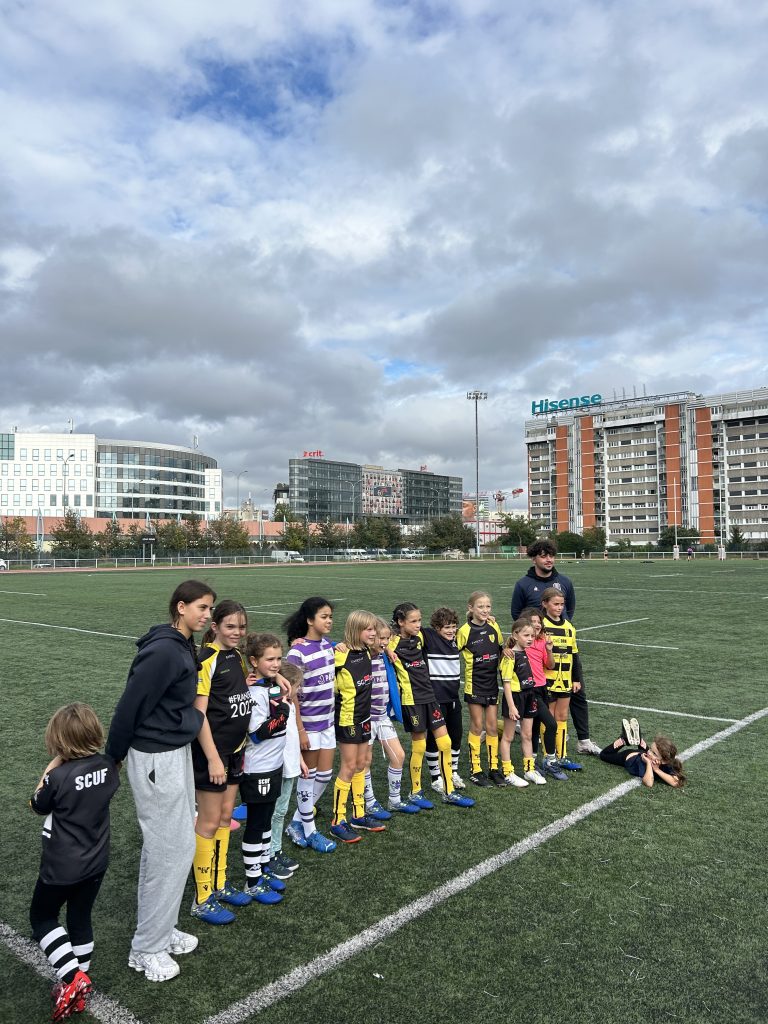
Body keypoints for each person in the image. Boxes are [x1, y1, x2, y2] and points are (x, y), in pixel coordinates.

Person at [106, 579, 216, 984]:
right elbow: (130, 705)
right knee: (169, 851)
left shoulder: (183, 645)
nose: (207, 616)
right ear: (181, 607)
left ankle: (161, 931)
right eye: (201, 608)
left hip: (173, 752)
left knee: (175, 846)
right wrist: (113, 756)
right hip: (154, 757)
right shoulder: (164, 651)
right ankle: (146, 949)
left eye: (210, 609)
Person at [30, 703, 119, 1020]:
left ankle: (73, 979)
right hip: (96, 859)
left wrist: (52, 767)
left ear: (58, 741)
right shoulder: (108, 765)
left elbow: (38, 804)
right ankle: (79, 989)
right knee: (80, 918)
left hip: (62, 864)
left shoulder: (58, 776)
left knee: (42, 917)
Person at [189, 600, 253, 926]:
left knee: (226, 817)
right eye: (230, 626)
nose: (237, 632)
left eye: (241, 627)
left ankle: (219, 882)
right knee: (209, 822)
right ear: (215, 627)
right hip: (213, 755)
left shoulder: (237, 657)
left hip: (236, 749)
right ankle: (202, 898)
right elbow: (199, 714)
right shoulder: (206, 660)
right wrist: (213, 758)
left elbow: (234, 693)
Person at [510, 540, 601, 756]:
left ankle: (584, 740)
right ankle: (535, 742)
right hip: (538, 651)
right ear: (534, 558)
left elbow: (570, 610)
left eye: (551, 555)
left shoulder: (565, 582)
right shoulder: (523, 584)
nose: (549, 559)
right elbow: (517, 615)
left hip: (565, 647)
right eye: (543, 555)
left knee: (577, 691)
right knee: (538, 696)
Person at [389, 603, 474, 809]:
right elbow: (371, 638)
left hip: (431, 697)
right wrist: (384, 648)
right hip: (413, 701)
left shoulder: (419, 639)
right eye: (413, 621)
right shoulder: (392, 643)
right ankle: (415, 792)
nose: (418, 625)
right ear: (401, 622)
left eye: (419, 620)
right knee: (419, 745)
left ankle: (448, 790)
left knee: (445, 743)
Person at [282, 597, 337, 853]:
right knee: (308, 778)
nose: (329, 621)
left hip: (327, 723)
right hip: (310, 726)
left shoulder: (328, 645)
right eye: (324, 616)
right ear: (309, 620)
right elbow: (290, 694)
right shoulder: (297, 652)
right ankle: (310, 830)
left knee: (324, 776)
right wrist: (300, 730)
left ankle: (296, 822)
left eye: (330, 616)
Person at [240, 632, 291, 904]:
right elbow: (257, 734)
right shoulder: (253, 693)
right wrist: (282, 715)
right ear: (253, 661)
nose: (275, 663)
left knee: (267, 818)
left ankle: (264, 865)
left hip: (274, 764)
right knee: (257, 823)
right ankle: (252, 881)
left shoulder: (269, 686)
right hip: (258, 767)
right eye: (269, 659)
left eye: (279, 658)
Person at [330, 610, 384, 842]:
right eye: (368, 629)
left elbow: (389, 639)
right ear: (355, 630)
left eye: (374, 629)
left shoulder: (367, 652)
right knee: (349, 766)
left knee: (362, 764)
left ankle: (359, 814)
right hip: (347, 719)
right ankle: (337, 820)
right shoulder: (339, 655)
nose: (373, 633)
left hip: (365, 716)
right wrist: (334, 645)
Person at [363, 618, 420, 815]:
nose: (385, 642)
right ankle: (369, 803)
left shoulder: (384, 656)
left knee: (399, 755)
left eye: (388, 638)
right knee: (365, 761)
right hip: (365, 719)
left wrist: (386, 649)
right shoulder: (359, 656)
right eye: (381, 638)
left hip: (382, 716)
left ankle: (394, 800)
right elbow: (337, 645)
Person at [264, 660, 308, 879]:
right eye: (297, 685)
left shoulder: (289, 705)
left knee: (281, 812)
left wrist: (299, 759)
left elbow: (291, 738)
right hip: (276, 768)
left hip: (290, 765)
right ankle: (268, 855)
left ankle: (276, 850)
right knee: (272, 813)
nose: (298, 690)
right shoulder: (273, 707)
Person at [457, 591, 505, 787]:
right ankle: (476, 770)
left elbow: (502, 650)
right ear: (471, 608)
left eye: (488, 606)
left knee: (492, 727)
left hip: (492, 684)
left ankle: (494, 768)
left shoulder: (494, 626)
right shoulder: (464, 631)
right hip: (474, 684)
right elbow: (451, 652)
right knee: (477, 726)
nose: (485, 610)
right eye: (480, 606)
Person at [539, 587, 585, 778]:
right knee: (549, 719)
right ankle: (548, 756)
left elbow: (574, 655)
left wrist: (576, 678)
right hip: (547, 679)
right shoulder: (540, 625)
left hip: (565, 679)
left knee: (562, 716)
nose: (559, 607)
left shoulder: (569, 627)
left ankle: (562, 755)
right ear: (545, 604)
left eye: (561, 604)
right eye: (555, 604)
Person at [422, 607, 466, 792]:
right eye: (447, 627)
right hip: (436, 698)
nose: (451, 630)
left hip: (453, 697)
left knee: (456, 735)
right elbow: (409, 630)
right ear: (437, 627)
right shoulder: (429, 637)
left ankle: (452, 771)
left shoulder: (455, 640)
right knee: (434, 739)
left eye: (453, 626)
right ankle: (435, 777)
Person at [515, 607, 559, 783]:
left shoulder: (541, 642)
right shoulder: (520, 643)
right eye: (533, 622)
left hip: (542, 688)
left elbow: (550, 665)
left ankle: (532, 763)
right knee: (551, 724)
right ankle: (549, 760)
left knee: (535, 726)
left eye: (539, 622)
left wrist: (548, 649)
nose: (537, 625)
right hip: (529, 690)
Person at [599, 718, 686, 788]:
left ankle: (639, 741)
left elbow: (676, 783)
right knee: (604, 755)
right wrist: (649, 762)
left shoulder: (668, 764)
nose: (650, 752)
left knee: (647, 753)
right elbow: (649, 783)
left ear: (665, 761)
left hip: (642, 754)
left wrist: (656, 769)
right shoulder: (645, 761)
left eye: (654, 753)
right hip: (630, 758)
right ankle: (624, 740)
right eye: (651, 749)